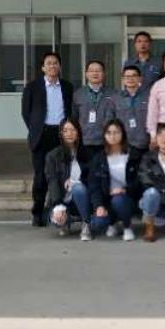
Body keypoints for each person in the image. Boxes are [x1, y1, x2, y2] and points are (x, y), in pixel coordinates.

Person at [21, 51, 74, 227]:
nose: (52, 66)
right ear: (43, 67)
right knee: (41, 176)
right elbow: (26, 113)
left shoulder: (67, 87)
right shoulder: (32, 87)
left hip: (61, 135)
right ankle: (37, 212)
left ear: (60, 66)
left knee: (61, 174)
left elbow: (70, 110)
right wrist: (36, 129)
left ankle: (58, 211)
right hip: (41, 135)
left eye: (55, 63)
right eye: (49, 63)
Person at [87, 118, 141, 242]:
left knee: (118, 200)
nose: (113, 136)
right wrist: (99, 206)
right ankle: (113, 223)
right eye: (109, 133)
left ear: (123, 134)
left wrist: (124, 190)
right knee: (98, 222)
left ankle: (127, 226)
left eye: (116, 132)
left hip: (128, 198)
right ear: (104, 135)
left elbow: (139, 181)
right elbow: (94, 185)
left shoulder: (133, 155)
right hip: (107, 200)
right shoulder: (99, 158)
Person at [45, 119, 92, 239]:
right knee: (57, 220)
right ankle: (66, 220)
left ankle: (86, 224)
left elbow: (93, 179)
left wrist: (77, 182)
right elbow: (52, 181)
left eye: (72, 130)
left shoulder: (88, 154)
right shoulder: (52, 156)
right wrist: (58, 205)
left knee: (78, 188)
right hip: (63, 199)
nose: (69, 133)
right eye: (65, 130)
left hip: (82, 199)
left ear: (78, 132)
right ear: (61, 133)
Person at [71, 60, 115, 165]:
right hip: (84, 142)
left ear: (104, 74)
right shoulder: (78, 94)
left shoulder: (113, 94)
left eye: (98, 70)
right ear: (86, 74)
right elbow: (74, 119)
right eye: (91, 71)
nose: (95, 73)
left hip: (106, 142)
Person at [110, 65, 150, 159]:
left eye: (134, 76)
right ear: (123, 80)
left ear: (140, 79)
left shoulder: (149, 96)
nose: (130, 79)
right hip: (123, 144)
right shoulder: (115, 98)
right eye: (127, 76)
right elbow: (110, 121)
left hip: (145, 144)